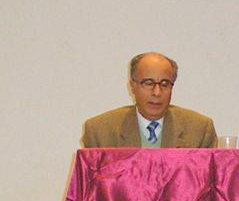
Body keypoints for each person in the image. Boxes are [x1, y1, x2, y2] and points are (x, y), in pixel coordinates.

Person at [82, 52, 217, 148]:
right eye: (148, 83)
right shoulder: (99, 132)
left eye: (164, 84)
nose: (157, 92)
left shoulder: (200, 130)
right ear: (132, 87)